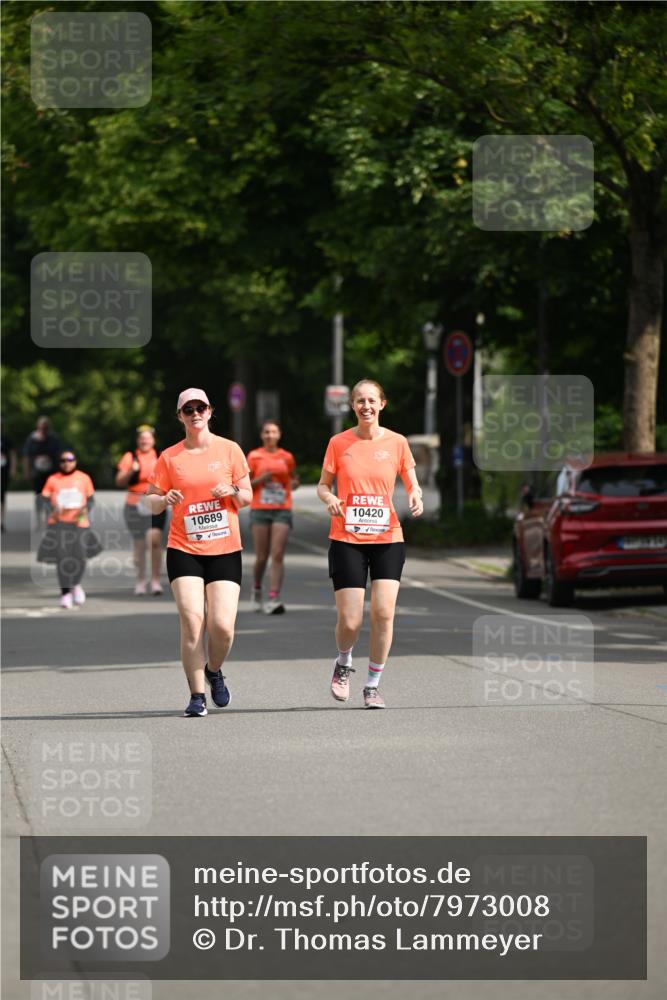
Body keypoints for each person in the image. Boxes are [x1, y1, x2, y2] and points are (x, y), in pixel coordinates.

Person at [145, 389, 252, 717]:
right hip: (184, 548)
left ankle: (214, 670)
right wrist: (165, 500)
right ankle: (196, 696)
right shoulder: (169, 457)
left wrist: (233, 491)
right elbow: (150, 499)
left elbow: (247, 496)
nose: (194, 413)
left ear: (210, 411)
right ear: (180, 416)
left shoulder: (229, 449)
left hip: (224, 548)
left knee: (222, 626)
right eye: (187, 409)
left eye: (200, 407)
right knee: (193, 621)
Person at [317, 379, 424, 709]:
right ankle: (344, 661)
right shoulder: (339, 442)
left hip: (387, 537)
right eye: (360, 400)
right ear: (352, 405)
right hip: (347, 538)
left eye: (371, 400)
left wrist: (416, 496)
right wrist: (330, 498)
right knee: (350, 621)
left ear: (382, 404)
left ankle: (373, 685)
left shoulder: (397, 443)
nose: (366, 406)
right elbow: (323, 485)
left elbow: (412, 483)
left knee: (383, 614)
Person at [246, 420, 299, 614]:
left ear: (279, 435)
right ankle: (257, 588)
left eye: (273, 432)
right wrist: (261, 479)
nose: (270, 435)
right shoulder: (254, 456)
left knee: (277, 554)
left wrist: (294, 484)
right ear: (262, 435)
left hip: (281, 508)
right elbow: (244, 484)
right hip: (260, 509)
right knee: (262, 556)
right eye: (266, 432)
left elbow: (294, 478)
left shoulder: (287, 457)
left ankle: (274, 597)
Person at [40, 450, 95, 609]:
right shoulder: (53, 479)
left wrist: (86, 509)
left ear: (75, 461)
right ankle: (65, 593)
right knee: (62, 558)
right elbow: (44, 501)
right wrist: (53, 508)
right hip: (59, 523)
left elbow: (91, 500)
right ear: (59, 463)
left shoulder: (83, 478)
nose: (66, 463)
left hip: (79, 522)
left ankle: (75, 584)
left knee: (80, 557)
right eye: (63, 460)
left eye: (70, 460)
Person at [116, 425, 165, 595]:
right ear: (138, 440)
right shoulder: (130, 457)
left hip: (155, 502)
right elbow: (119, 481)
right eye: (141, 438)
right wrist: (131, 471)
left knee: (155, 539)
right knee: (140, 543)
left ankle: (156, 580)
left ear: (153, 440)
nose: (145, 441)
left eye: (148, 438)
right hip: (134, 504)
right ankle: (141, 580)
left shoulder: (160, 456)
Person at [23, 416, 61, 526]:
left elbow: (58, 455)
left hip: (51, 471)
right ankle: (39, 518)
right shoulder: (32, 439)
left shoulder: (53, 438)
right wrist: (27, 471)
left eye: (46, 425)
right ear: (38, 426)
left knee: (49, 495)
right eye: (42, 425)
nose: (44, 427)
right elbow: (27, 456)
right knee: (38, 495)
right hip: (36, 472)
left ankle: (48, 517)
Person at [1, 421, 16, 532]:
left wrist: (13, 469)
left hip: (3, 471)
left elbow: (13, 455)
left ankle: (2, 522)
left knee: (2, 497)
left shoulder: (7, 440)